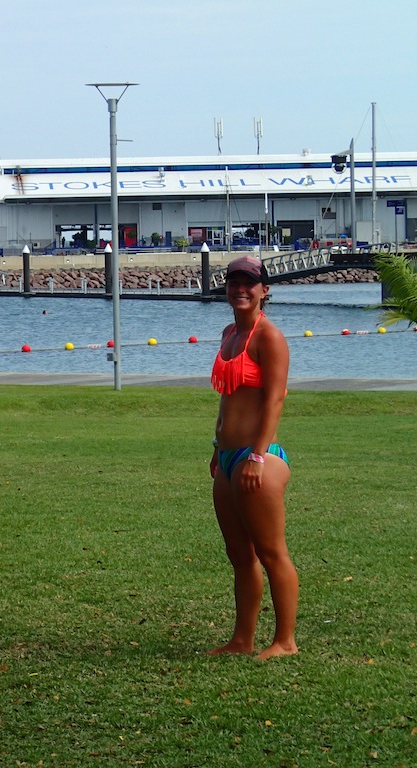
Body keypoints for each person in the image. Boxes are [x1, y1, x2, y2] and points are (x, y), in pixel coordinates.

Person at [209, 254, 297, 660]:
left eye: (250, 283)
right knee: (240, 555)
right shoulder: (229, 333)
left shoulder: (269, 337)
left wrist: (257, 456)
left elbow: (275, 400)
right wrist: (217, 447)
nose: (241, 289)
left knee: (271, 552)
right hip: (228, 459)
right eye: (234, 282)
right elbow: (228, 399)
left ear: (265, 290)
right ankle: (242, 640)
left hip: (259, 458)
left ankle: (285, 642)